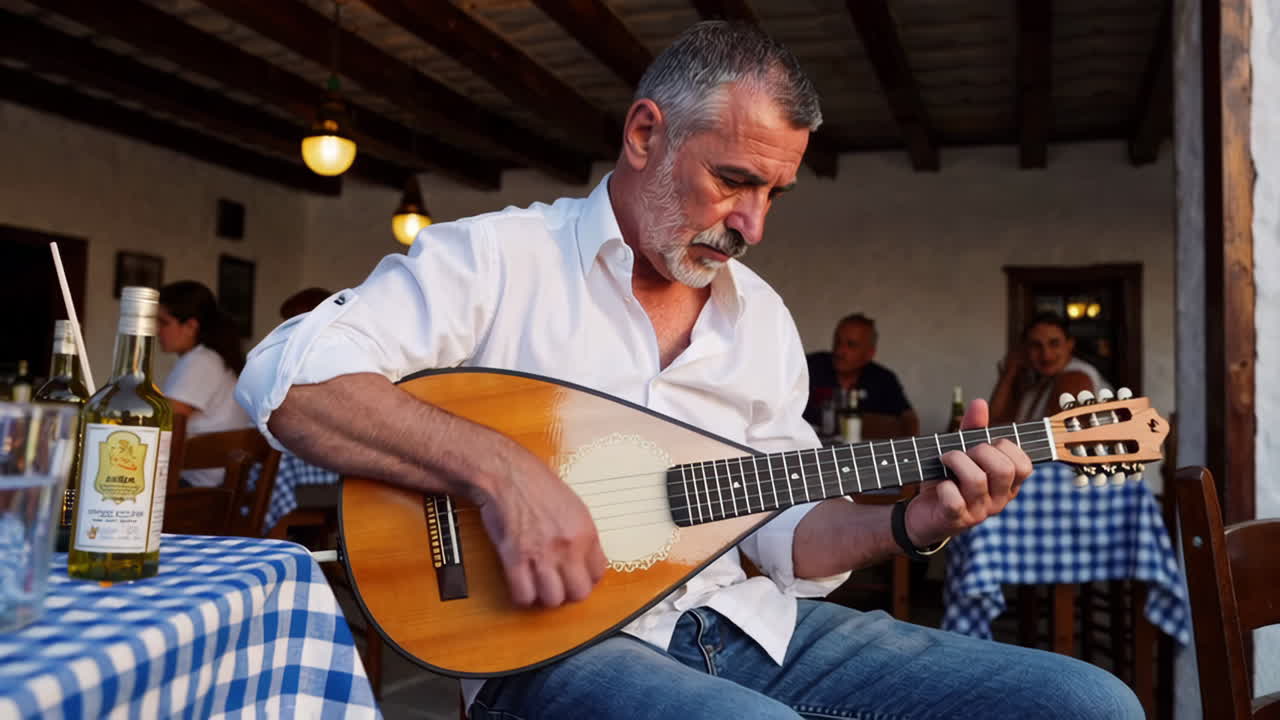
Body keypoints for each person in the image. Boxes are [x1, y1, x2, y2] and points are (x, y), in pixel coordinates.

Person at [236, 22, 1141, 719]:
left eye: (773, 193)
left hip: (746, 625)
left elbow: (783, 531)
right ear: (643, 134)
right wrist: (501, 470)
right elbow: (288, 376)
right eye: (734, 181)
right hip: (544, 645)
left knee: (1094, 705)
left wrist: (911, 522)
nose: (753, 226)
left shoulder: (764, 320)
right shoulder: (501, 259)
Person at [157, 280, 252, 487]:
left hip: (195, 482)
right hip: (216, 481)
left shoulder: (200, 361)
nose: (156, 330)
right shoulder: (215, 358)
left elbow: (168, 422)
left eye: (163, 322)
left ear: (191, 326)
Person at [804, 313, 919, 437]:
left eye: (851, 345)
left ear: (870, 353)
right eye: (837, 341)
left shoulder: (884, 379)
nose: (839, 350)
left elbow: (909, 418)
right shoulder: (809, 366)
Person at [989, 312, 1110, 424]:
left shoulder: (1074, 376)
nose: (1046, 355)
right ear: (1025, 349)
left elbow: (1058, 434)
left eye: (1054, 344)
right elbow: (994, 421)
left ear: (1070, 344)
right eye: (1036, 345)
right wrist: (1008, 373)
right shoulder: (1038, 380)